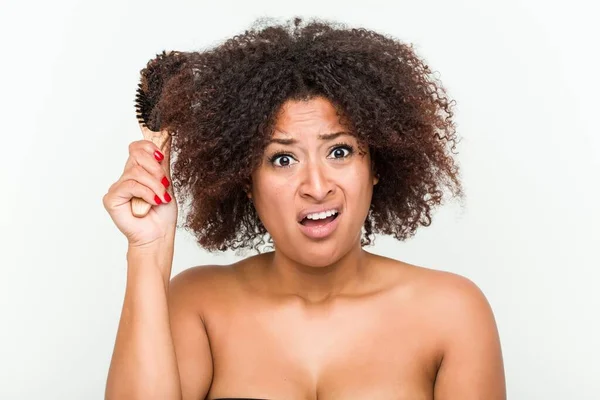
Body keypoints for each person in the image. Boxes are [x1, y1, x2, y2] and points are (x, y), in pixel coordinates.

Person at [103, 17, 506, 400]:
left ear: (376, 166)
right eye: (282, 159)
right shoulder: (198, 304)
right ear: (245, 179)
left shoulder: (452, 313)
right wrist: (148, 250)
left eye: (339, 151)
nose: (316, 187)